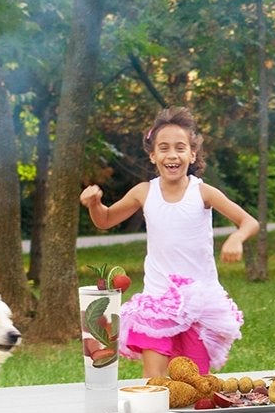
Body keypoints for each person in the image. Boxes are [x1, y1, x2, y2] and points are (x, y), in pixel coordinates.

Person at [80, 107, 257, 377]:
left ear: (192, 154)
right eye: (163, 148)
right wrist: (94, 204)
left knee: (197, 387)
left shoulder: (203, 192)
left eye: (180, 148)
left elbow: (249, 222)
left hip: (198, 303)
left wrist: (236, 237)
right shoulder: (143, 192)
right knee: (155, 384)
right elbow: (104, 220)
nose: (172, 155)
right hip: (157, 300)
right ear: (153, 156)